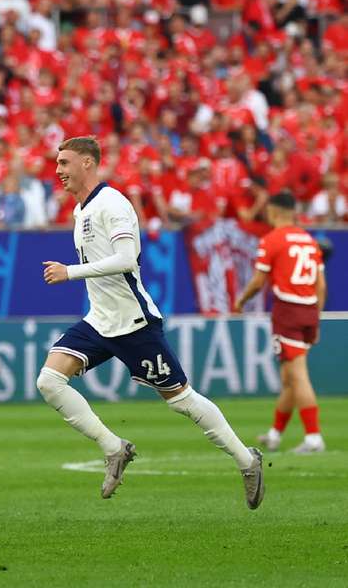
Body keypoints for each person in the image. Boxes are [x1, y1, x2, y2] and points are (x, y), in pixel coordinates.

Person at [40, 136, 264, 508]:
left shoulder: (112, 204)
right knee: (48, 380)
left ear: (88, 164)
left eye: (65, 163)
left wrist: (71, 272)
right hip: (99, 320)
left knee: (181, 401)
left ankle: (246, 460)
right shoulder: (81, 211)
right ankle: (114, 448)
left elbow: (127, 259)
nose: (59, 171)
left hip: (133, 322)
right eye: (57, 163)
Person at [234, 191, 327, 454]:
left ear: (273, 211)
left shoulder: (272, 240)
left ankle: (313, 437)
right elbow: (321, 285)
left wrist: (241, 301)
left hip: (288, 312)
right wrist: (315, 319)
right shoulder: (309, 240)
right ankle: (275, 434)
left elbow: (257, 281)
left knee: (298, 376)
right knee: (289, 377)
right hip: (309, 310)